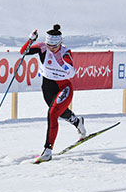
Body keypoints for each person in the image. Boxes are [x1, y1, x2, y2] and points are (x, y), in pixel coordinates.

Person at [21, 24, 86, 162]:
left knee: (52, 114)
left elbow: (71, 69)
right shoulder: (42, 47)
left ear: (60, 42)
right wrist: (30, 40)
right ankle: (77, 121)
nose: (51, 48)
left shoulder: (65, 52)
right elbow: (23, 52)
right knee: (59, 112)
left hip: (64, 87)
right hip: (47, 87)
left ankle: (48, 150)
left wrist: (64, 65)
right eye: (49, 45)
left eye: (54, 46)